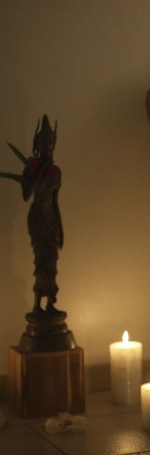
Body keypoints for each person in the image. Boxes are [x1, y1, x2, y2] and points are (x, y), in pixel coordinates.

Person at [20, 116, 66, 316]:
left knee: (52, 261)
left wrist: (61, 229)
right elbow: (26, 195)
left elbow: (55, 202)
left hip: (51, 220)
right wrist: (39, 171)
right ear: (37, 145)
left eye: (50, 144)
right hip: (37, 219)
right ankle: (37, 304)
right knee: (41, 261)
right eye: (44, 144)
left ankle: (50, 303)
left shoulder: (56, 172)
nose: (47, 148)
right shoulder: (30, 169)